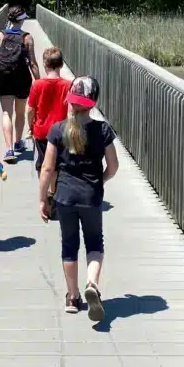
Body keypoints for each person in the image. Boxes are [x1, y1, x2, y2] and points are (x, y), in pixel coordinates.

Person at [39, 76, 119, 321]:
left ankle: (72, 297)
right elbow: (113, 166)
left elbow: (47, 169)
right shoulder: (102, 129)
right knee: (95, 244)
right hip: (91, 196)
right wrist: (100, 181)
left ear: (70, 100)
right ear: (93, 103)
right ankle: (92, 284)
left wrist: (44, 198)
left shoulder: (57, 130)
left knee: (69, 246)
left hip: (64, 197)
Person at [0, 5, 39, 164]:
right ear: (22, 19)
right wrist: (38, 82)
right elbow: (33, 63)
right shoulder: (27, 37)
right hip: (21, 77)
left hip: (3, 77)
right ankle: (18, 142)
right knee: (20, 112)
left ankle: (9, 149)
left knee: (6, 113)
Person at [27, 47, 71, 175]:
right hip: (61, 131)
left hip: (41, 131)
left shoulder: (37, 85)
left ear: (44, 64)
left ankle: (44, 192)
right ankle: (53, 191)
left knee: (43, 164)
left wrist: (30, 125)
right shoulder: (69, 85)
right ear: (62, 64)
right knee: (58, 165)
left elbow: (30, 110)